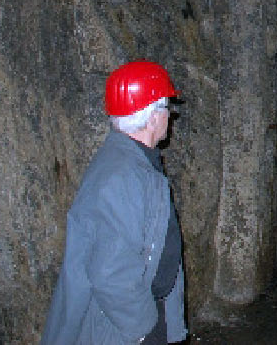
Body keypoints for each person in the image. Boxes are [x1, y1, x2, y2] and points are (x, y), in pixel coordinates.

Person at [42, 60, 187, 345]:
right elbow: (111, 272)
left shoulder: (134, 163)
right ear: (152, 117)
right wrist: (144, 330)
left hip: (140, 312)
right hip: (121, 327)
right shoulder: (120, 176)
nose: (170, 115)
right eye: (166, 107)